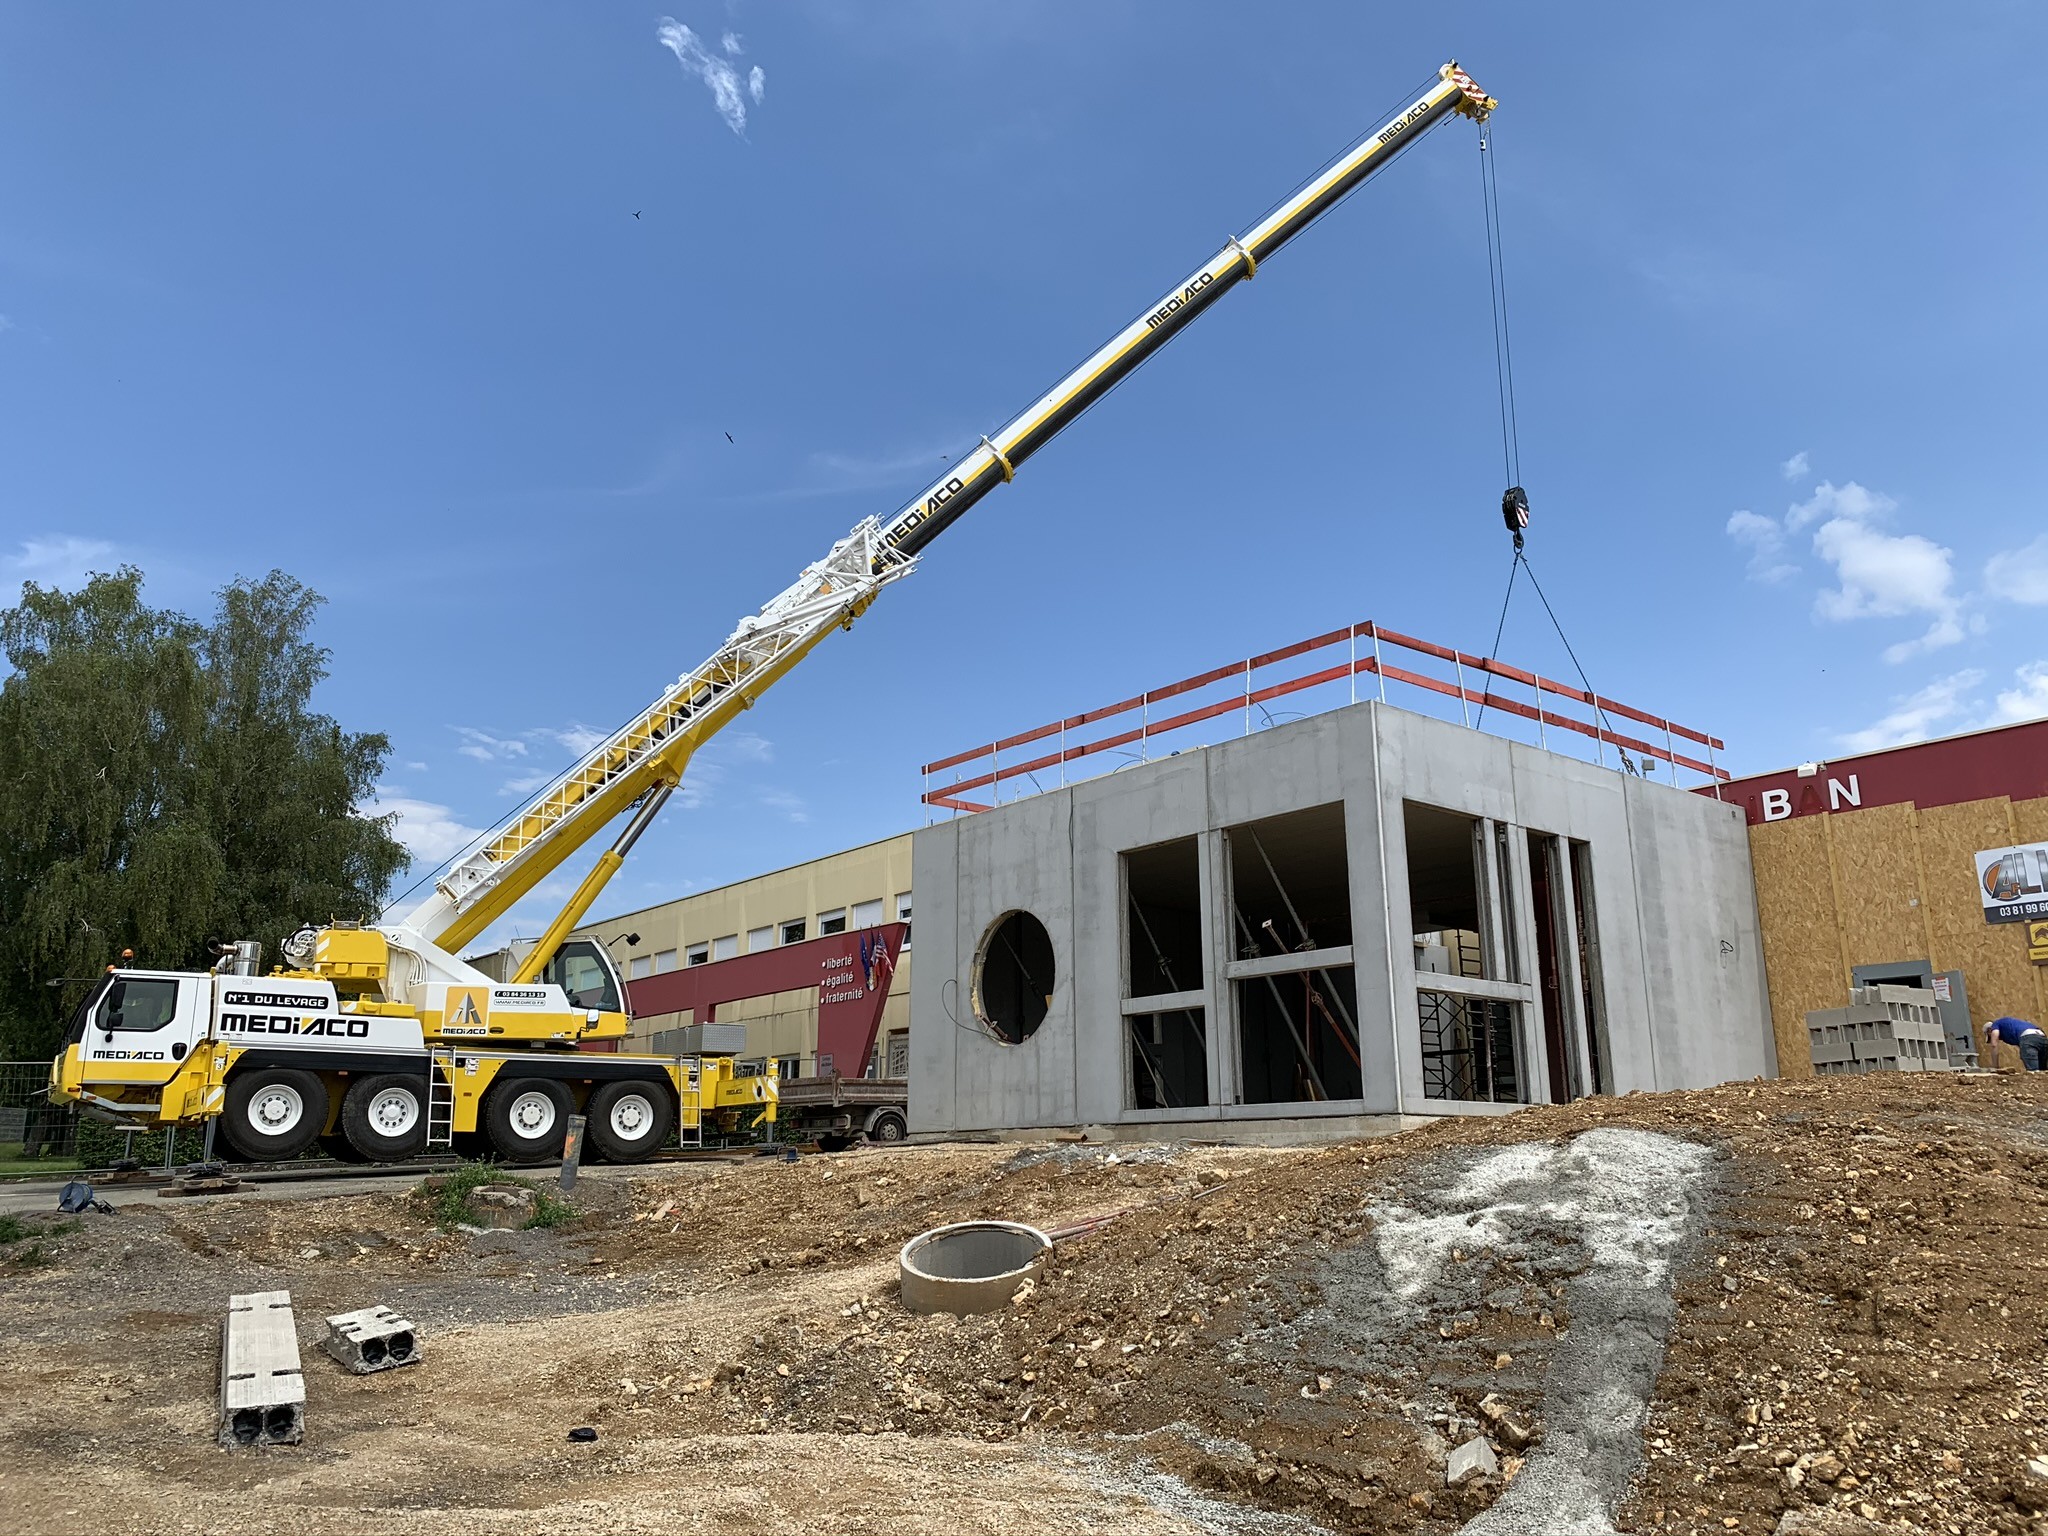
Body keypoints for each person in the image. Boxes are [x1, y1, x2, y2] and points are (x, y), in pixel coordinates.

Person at [1983, 1015, 2048, 1071]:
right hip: (2042, 1037)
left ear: (1989, 1030)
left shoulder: (1995, 1024)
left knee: (2034, 1072)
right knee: (2043, 1073)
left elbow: (1994, 1045)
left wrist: (1995, 1067)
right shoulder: (2011, 1024)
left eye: (1990, 1036)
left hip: (2028, 1038)